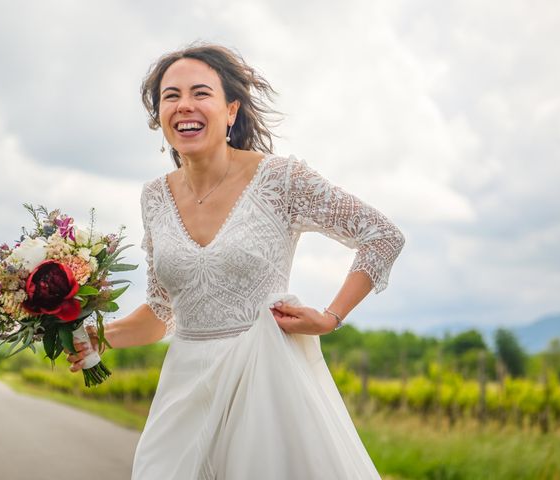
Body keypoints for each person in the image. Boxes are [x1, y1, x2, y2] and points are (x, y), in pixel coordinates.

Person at [66, 41, 405, 479]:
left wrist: (330, 317)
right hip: (184, 395)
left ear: (231, 110)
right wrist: (100, 336)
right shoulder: (154, 197)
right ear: (159, 119)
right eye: (171, 96)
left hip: (267, 386)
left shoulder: (282, 179)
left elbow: (382, 236)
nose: (185, 105)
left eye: (201, 93)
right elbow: (162, 313)